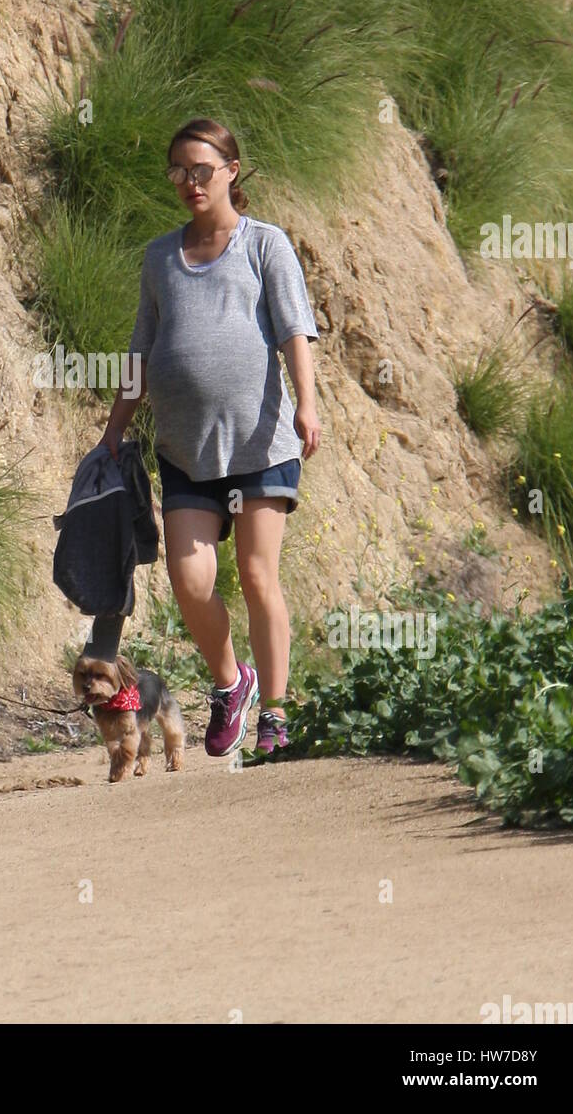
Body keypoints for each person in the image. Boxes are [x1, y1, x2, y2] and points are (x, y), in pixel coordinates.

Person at [101, 118, 321, 757]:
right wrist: (113, 432)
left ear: (231, 170)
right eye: (178, 171)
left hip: (260, 441)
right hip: (185, 449)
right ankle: (233, 682)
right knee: (190, 581)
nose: (189, 182)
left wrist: (308, 402)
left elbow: (294, 331)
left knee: (256, 574)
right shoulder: (160, 257)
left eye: (201, 169)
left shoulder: (265, 245)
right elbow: (139, 353)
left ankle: (276, 714)